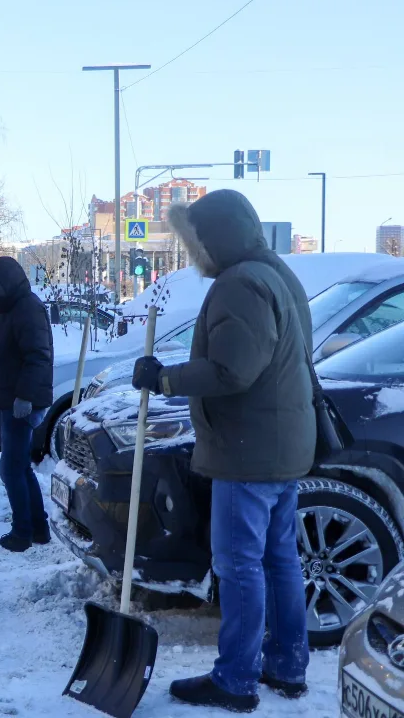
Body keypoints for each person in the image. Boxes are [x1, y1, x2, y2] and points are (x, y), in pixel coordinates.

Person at [131, 189, 312, 712]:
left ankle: (235, 679)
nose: (195, 255)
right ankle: (287, 665)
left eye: (197, 242)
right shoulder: (276, 274)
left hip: (247, 451)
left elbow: (232, 371)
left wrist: (164, 378)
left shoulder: (240, 284)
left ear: (216, 238)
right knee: (280, 560)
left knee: (239, 565)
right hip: (279, 447)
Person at [0, 256, 53, 553]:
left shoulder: (28, 309)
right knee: (20, 468)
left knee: (11, 469)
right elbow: (12, 349)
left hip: (20, 403)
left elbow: (38, 356)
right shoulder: (12, 310)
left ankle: (22, 533)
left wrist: (25, 397)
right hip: (10, 400)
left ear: (5, 284)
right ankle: (38, 529)